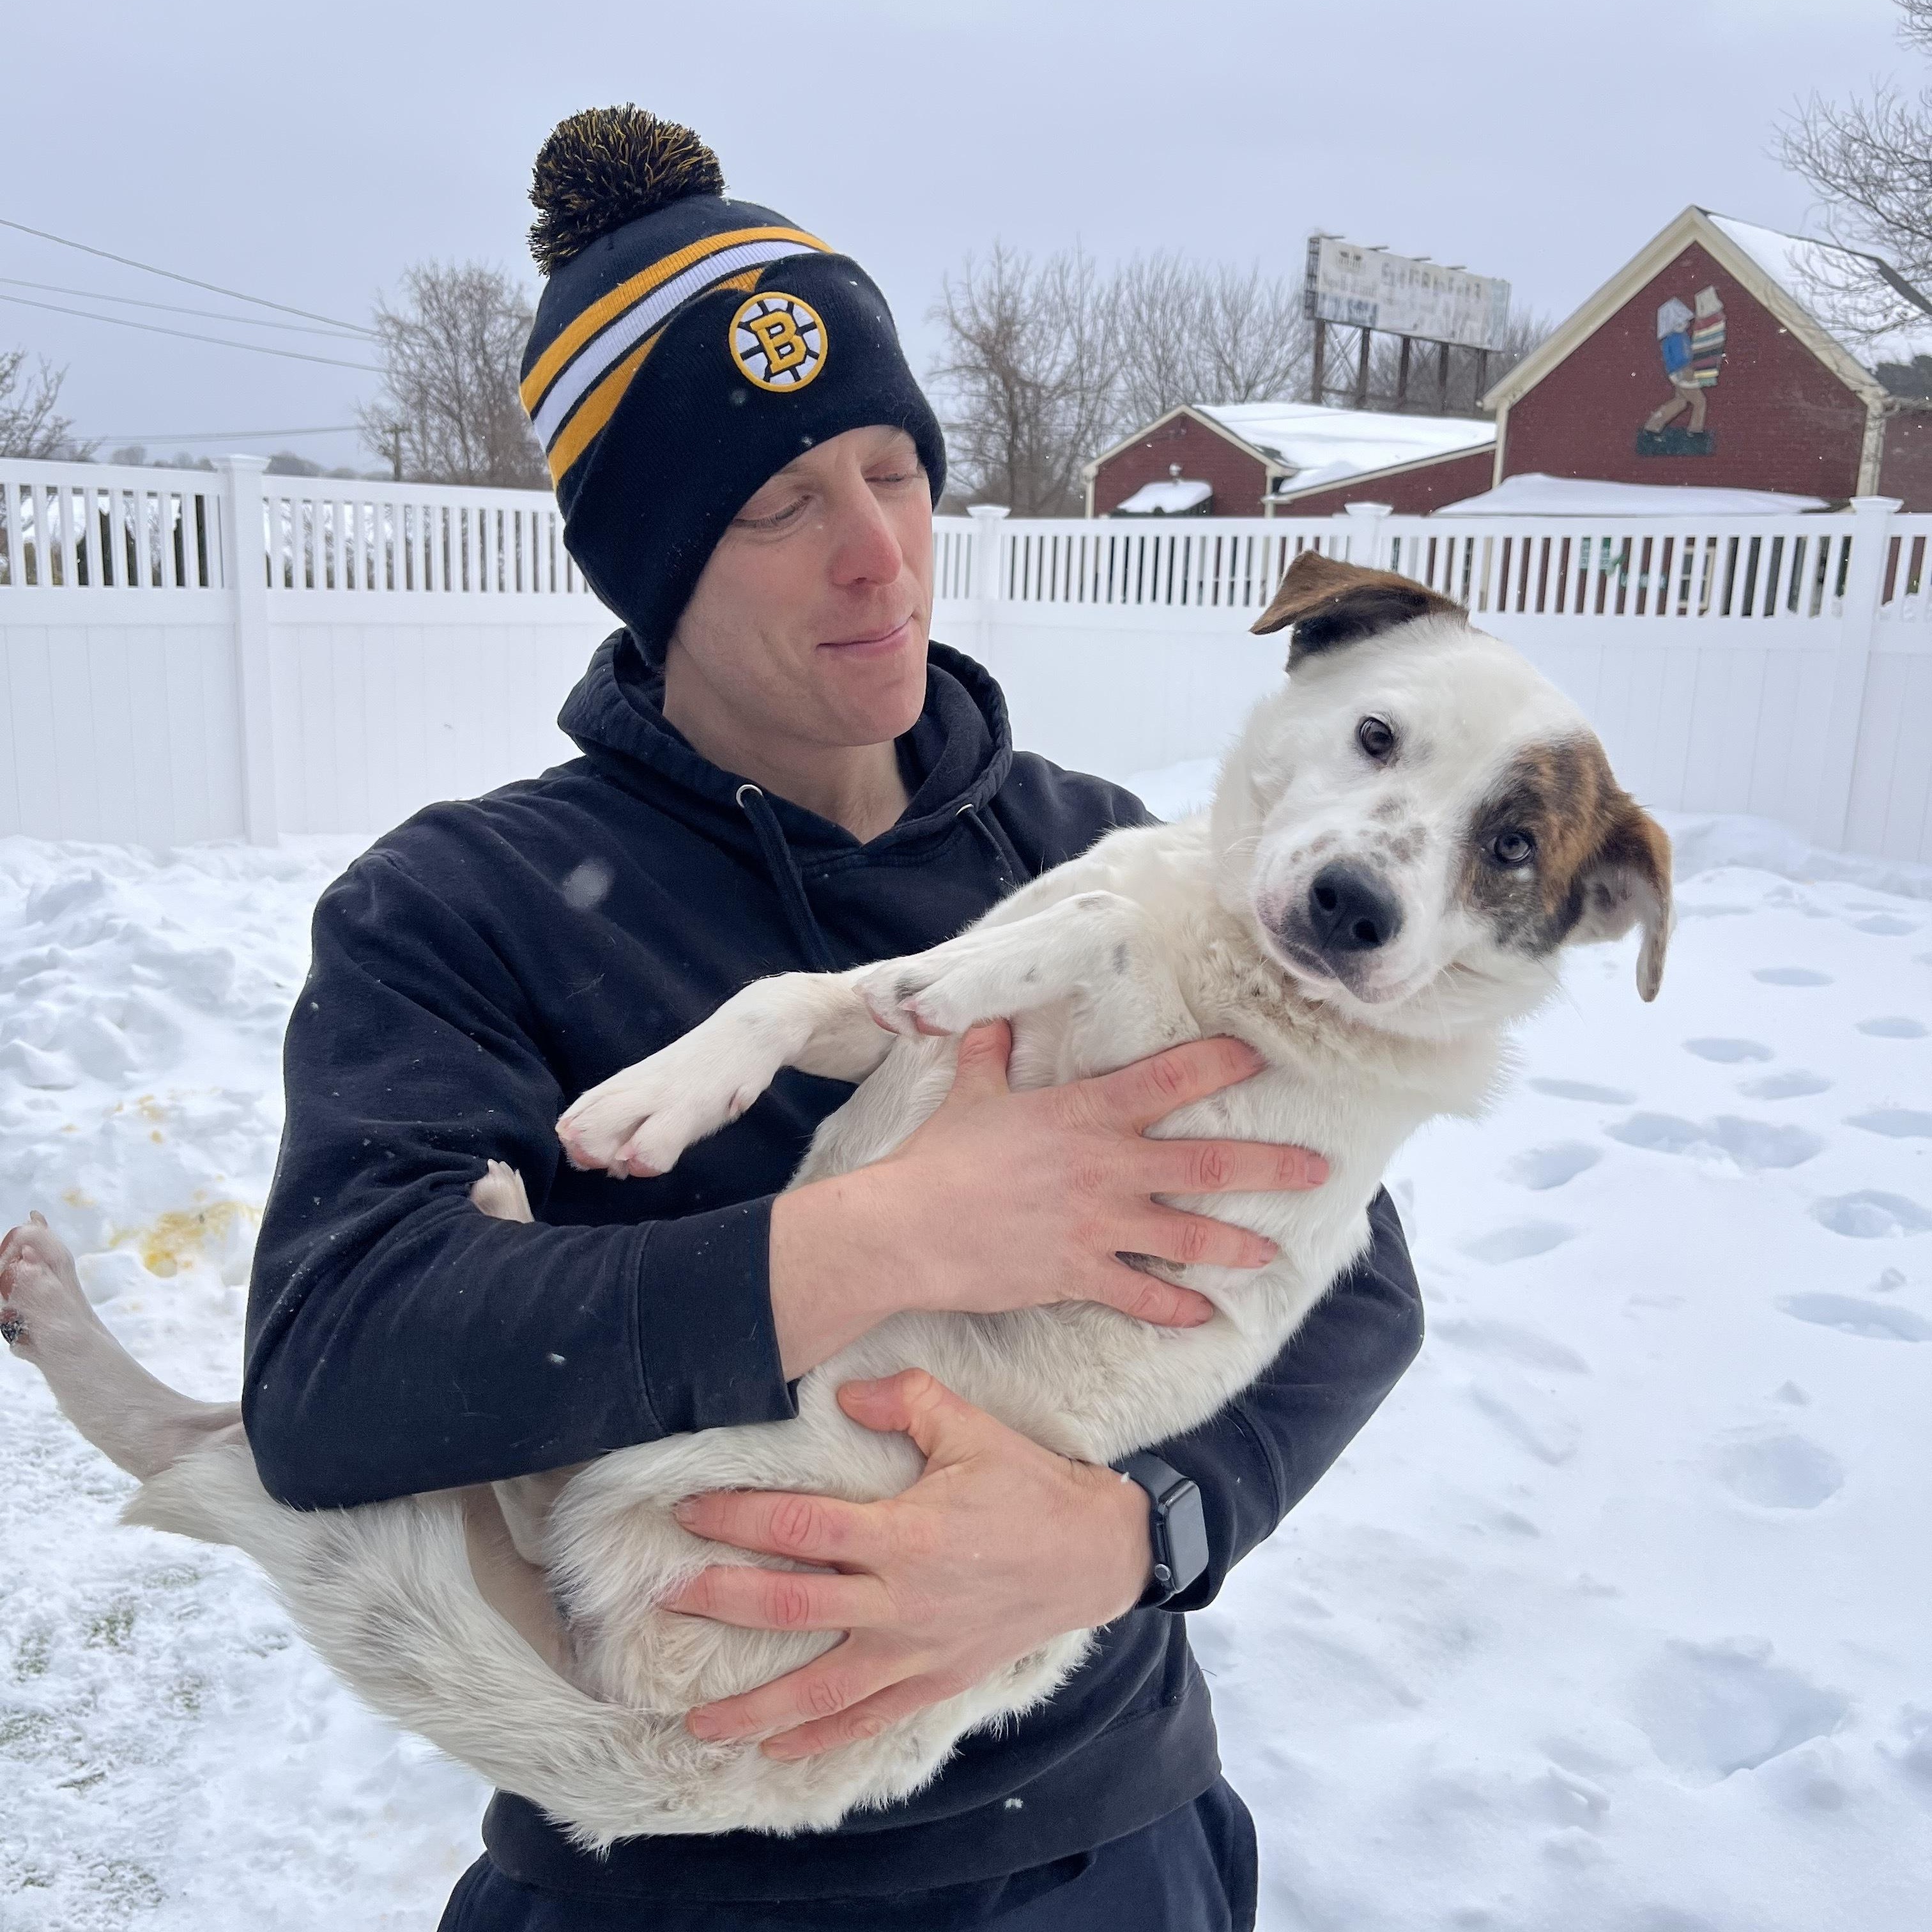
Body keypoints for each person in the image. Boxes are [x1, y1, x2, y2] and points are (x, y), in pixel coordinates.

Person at [241, 107, 1423, 1932]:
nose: (878, 553)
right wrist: (879, 1234)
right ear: (650, 565)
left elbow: (1354, 1272)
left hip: (1113, 1841)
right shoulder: (459, 907)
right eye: (780, 505)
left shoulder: (1108, 858)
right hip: (681, 1874)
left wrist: (1139, 1533)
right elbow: (335, 1377)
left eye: (892, 468)